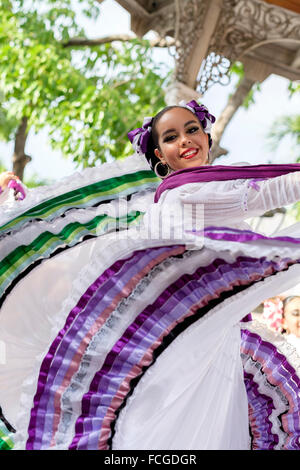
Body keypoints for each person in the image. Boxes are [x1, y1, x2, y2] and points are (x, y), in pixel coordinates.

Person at [0, 100, 300, 451]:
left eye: (191, 130)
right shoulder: (188, 192)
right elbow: (274, 191)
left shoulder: (188, 189)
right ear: (159, 154)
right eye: (172, 137)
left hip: (207, 336)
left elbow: (268, 183)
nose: (186, 140)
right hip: (187, 345)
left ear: (206, 136)